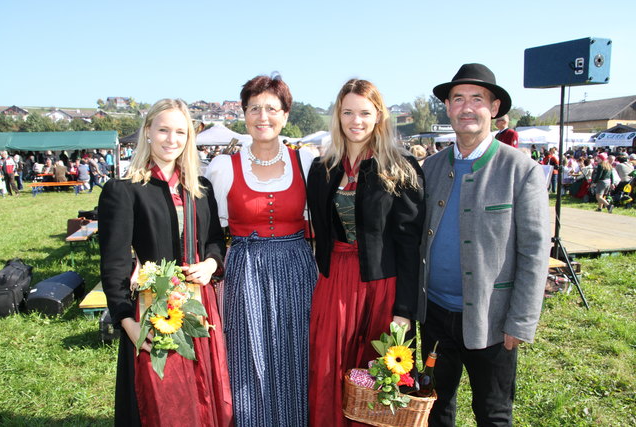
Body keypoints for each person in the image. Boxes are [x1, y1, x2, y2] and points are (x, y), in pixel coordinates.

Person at [418, 63, 551, 426]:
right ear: (447, 108)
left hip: (492, 319)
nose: (466, 107)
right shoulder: (429, 167)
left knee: (492, 412)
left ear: (494, 109)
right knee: (433, 405)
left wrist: (520, 321)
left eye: (477, 98)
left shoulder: (520, 169)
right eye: (458, 98)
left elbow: (536, 250)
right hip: (434, 315)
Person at [99, 99, 233, 427]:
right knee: (162, 401)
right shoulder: (124, 190)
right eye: (163, 130)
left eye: (180, 132)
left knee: (204, 395)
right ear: (147, 132)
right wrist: (127, 323)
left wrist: (212, 265)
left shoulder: (201, 188)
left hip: (201, 308)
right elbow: (114, 263)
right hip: (152, 310)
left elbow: (216, 241)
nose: (171, 139)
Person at [307, 79, 425, 427]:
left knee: (378, 375)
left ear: (379, 117)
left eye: (364, 112)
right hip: (334, 284)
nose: (355, 120)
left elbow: (410, 245)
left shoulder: (400, 168)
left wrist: (404, 310)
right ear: (338, 116)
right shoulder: (322, 168)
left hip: (382, 285)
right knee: (329, 367)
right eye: (347, 112)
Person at [205, 74, 317, 427]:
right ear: (244, 114)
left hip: (298, 268)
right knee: (247, 354)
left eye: (271, 108)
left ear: (285, 115)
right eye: (254, 108)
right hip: (246, 269)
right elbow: (210, 227)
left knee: (297, 352)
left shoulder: (306, 162)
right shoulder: (224, 167)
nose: (262, 116)